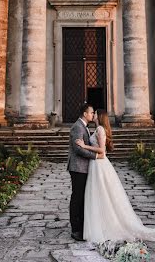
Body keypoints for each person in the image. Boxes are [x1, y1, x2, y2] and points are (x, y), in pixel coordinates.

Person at [76, 109, 155, 244]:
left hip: (100, 165)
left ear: (99, 116)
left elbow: (102, 150)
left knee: (102, 193)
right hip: (95, 165)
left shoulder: (100, 129)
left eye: (95, 113)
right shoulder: (97, 129)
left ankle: (106, 225)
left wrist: (85, 146)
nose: (93, 115)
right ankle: (100, 223)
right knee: (98, 194)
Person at [67, 103, 104, 241]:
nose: (93, 114)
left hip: (83, 167)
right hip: (78, 167)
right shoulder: (77, 127)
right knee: (77, 198)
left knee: (82, 197)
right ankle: (75, 229)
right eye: (91, 112)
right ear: (85, 114)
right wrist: (95, 156)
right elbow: (78, 149)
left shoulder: (84, 127)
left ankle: (81, 226)